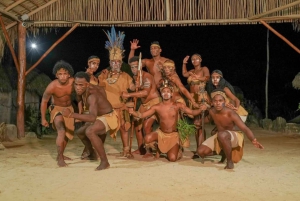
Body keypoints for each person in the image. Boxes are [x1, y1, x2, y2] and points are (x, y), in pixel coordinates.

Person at [127, 81, 206, 161]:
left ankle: (178, 149)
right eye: (164, 92)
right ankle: (159, 149)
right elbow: (142, 115)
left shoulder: (177, 105)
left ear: (172, 94)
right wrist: (133, 112)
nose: (166, 93)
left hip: (173, 135)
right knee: (147, 138)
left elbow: (192, 112)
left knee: (172, 158)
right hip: (161, 134)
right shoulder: (157, 107)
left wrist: (200, 109)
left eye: (168, 91)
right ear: (161, 94)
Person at [62, 72, 118, 170]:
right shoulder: (80, 91)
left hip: (108, 116)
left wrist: (72, 115)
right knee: (80, 132)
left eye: (81, 85)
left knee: (90, 131)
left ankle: (105, 162)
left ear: (87, 84)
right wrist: (81, 113)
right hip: (98, 116)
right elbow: (80, 99)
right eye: (76, 84)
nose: (77, 87)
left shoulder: (92, 95)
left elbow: (92, 117)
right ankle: (92, 153)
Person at [197, 89, 264, 169]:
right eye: (215, 101)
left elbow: (245, 128)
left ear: (224, 102)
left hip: (234, 137)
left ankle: (229, 162)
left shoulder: (231, 113)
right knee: (201, 152)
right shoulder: (212, 111)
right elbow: (208, 118)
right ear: (212, 103)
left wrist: (253, 140)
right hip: (221, 136)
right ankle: (223, 153)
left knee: (222, 134)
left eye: (220, 101)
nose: (218, 103)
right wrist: (199, 122)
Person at [98, 26, 136, 157]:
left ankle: (126, 150)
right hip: (107, 109)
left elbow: (132, 88)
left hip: (122, 108)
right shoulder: (104, 75)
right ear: (110, 62)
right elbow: (97, 88)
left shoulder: (126, 76)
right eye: (113, 62)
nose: (115, 64)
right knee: (101, 129)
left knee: (124, 129)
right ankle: (98, 150)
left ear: (121, 62)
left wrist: (138, 83)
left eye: (118, 62)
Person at [121, 56, 161, 154]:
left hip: (154, 102)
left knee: (146, 126)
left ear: (140, 67)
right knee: (137, 125)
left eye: (136, 67)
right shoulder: (135, 77)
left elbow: (145, 93)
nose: (134, 69)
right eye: (132, 67)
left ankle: (149, 150)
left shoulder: (147, 76)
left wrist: (129, 94)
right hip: (144, 104)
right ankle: (141, 148)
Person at [40, 60, 75, 167]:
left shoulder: (73, 82)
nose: (63, 76)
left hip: (69, 109)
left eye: (65, 74)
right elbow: (44, 101)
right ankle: (60, 158)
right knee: (61, 131)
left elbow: (85, 86)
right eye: (60, 74)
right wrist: (43, 118)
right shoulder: (52, 86)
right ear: (56, 75)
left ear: (69, 74)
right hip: (56, 109)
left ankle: (61, 154)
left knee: (68, 135)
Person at [182, 54, 210, 157]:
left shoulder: (204, 68)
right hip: (192, 99)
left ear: (201, 60)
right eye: (193, 59)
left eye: (196, 59)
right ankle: (200, 148)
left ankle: (201, 150)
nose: (194, 60)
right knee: (196, 124)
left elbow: (207, 77)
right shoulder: (191, 72)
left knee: (199, 123)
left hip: (201, 97)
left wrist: (199, 77)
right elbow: (184, 74)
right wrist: (184, 63)